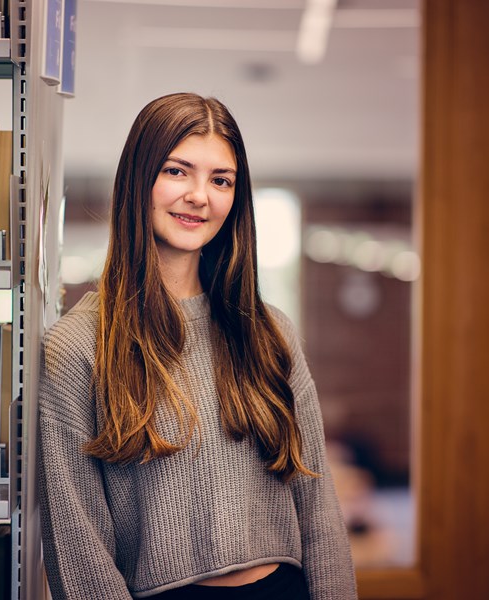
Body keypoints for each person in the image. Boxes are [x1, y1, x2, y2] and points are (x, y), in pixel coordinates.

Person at [38, 92, 357, 600]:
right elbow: (77, 543)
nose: (200, 196)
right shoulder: (77, 346)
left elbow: (317, 506)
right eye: (177, 171)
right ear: (138, 179)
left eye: (221, 180)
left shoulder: (271, 332)